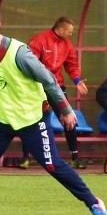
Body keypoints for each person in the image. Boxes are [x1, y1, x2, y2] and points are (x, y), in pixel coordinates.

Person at [0, 6, 107, 215]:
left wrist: (66, 110)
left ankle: (94, 203)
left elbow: (49, 80)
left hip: (33, 118)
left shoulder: (19, 52)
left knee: (52, 165)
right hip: (1, 119)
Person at [18, 16, 89, 169]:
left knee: (69, 119)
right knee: (30, 120)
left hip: (57, 87)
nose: (71, 34)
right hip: (37, 88)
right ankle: (25, 158)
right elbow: (30, 64)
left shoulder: (67, 45)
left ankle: (75, 157)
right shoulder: (39, 40)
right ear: (61, 29)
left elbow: (72, 65)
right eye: (69, 31)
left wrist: (77, 80)